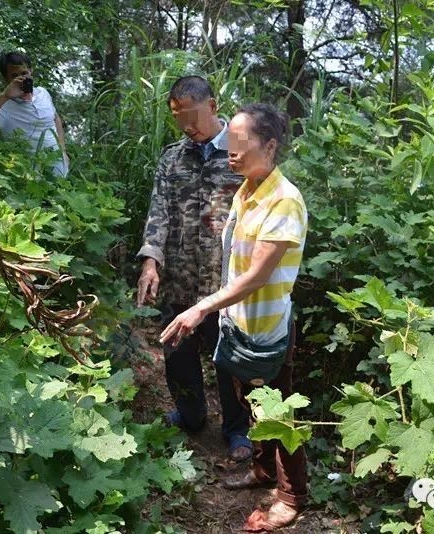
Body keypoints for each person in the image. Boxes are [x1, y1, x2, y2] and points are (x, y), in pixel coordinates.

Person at [160, 103, 308, 532]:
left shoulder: (284, 201)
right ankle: (262, 471)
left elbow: (258, 276)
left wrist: (202, 306)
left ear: (271, 145)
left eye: (242, 143)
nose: (232, 151)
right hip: (240, 324)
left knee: (278, 414)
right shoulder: (247, 191)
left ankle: (292, 495)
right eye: (232, 142)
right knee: (251, 403)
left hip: (266, 328)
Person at [136, 76, 252, 462]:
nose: (187, 126)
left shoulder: (241, 151)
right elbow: (159, 212)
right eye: (178, 118)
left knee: (230, 357)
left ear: (213, 106)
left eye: (192, 115)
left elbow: (263, 208)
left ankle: (238, 430)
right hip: (180, 278)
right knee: (179, 352)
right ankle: (191, 414)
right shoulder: (172, 157)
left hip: (226, 280)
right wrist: (151, 261)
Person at [0, 50, 69, 177]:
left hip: (59, 171)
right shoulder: (4, 104)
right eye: (14, 75)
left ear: (31, 71)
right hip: (27, 176)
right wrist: (5, 96)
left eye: (24, 73)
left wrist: (63, 150)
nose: (22, 78)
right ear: (7, 79)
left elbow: (56, 119)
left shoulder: (43, 93)